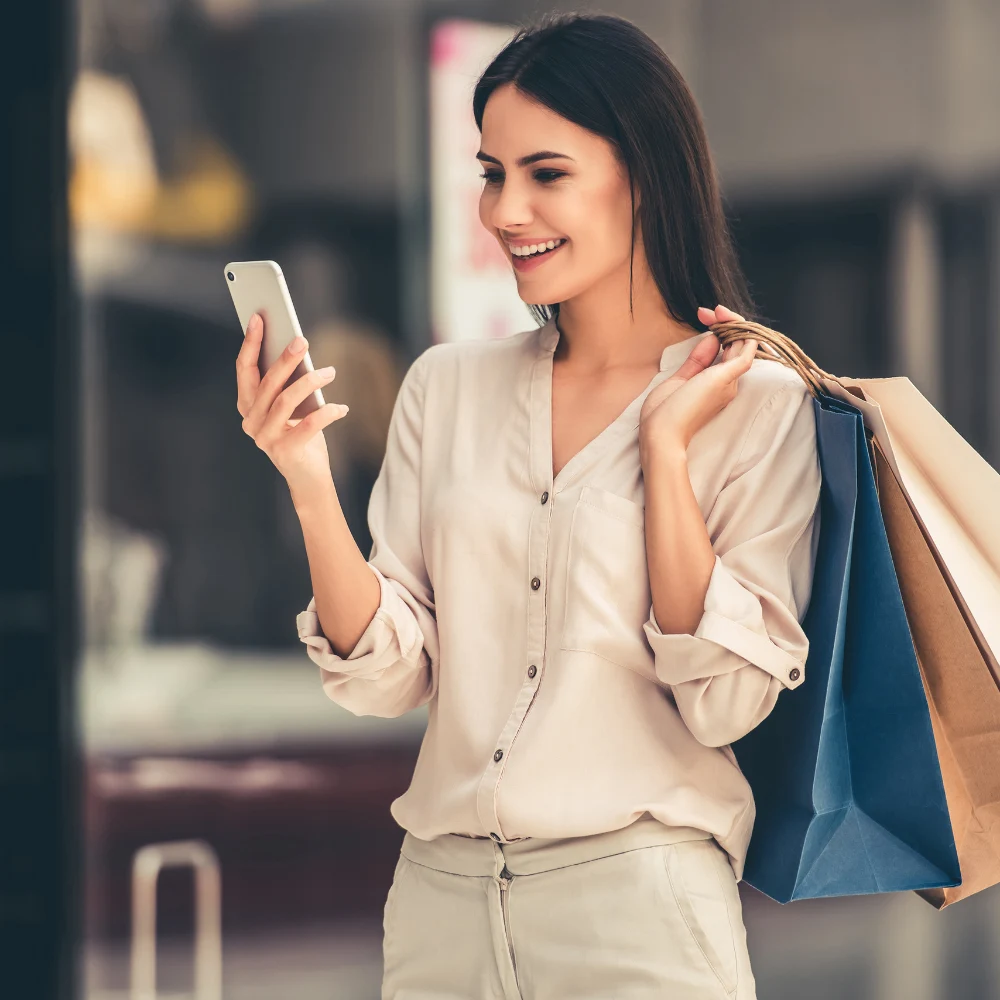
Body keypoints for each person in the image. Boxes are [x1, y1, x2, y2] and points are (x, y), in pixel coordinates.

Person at [236, 12, 821, 999]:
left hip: (637, 911)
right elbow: (386, 675)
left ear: (642, 175)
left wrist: (664, 453)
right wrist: (303, 473)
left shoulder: (758, 404)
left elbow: (724, 702)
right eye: (490, 173)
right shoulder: (445, 386)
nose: (505, 209)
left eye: (544, 173)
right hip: (438, 912)